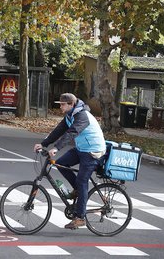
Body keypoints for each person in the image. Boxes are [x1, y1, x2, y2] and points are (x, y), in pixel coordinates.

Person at [33, 93, 106, 230]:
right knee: (61, 164)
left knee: (82, 180)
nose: (60, 106)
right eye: (59, 104)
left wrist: (56, 148)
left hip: (93, 152)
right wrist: (44, 144)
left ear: (71, 104)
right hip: (82, 149)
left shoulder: (82, 116)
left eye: (62, 104)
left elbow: (71, 133)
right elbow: (59, 130)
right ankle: (78, 190)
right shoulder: (69, 116)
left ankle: (80, 218)